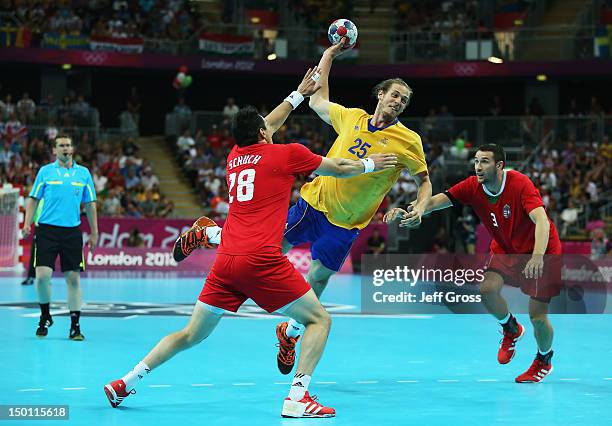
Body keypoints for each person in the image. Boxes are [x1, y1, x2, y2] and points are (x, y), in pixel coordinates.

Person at [103, 67, 397, 418]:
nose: (271, 127)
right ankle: (298, 398)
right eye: (266, 126)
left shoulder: (233, 157)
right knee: (320, 320)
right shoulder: (286, 154)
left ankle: (125, 381)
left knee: (190, 335)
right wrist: (370, 163)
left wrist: (298, 94)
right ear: (262, 132)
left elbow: (266, 125)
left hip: (226, 260)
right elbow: (339, 167)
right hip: (260, 261)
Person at [274, 39, 431, 375]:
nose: (398, 102)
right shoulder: (352, 118)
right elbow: (317, 99)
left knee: (317, 279)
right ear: (381, 95)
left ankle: (290, 333)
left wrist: (420, 206)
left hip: (346, 224)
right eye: (394, 95)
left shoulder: (409, 141)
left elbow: (424, 181)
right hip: (314, 203)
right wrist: (329, 55)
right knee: (271, 250)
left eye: (404, 100)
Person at [385, 144, 562, 383]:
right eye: (476, 161)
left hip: (541, 249)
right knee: (487, 290)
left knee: (538, 317)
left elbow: (541, 220)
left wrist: (538, 256)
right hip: (506, 249)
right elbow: (441, 200)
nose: (478, 167)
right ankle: (511, 328)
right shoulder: (473, 186)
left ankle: (544, 359)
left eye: (485, 162)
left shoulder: (519, 183)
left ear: (499, 165)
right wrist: (415, 210)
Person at [23, 135, 98, 340]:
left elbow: (90, 204)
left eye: (68, 145)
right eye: (61, 146)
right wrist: (27, 222)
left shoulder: (83, 173)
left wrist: (94, 232)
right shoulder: (45, 172)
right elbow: (33, 198)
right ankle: (45, 315)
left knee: (73, 279)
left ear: (72, 149)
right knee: (42, 277)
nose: (65, 148)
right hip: (46, 231)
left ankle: (75, 326)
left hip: (72, 232)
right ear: (54, 150)